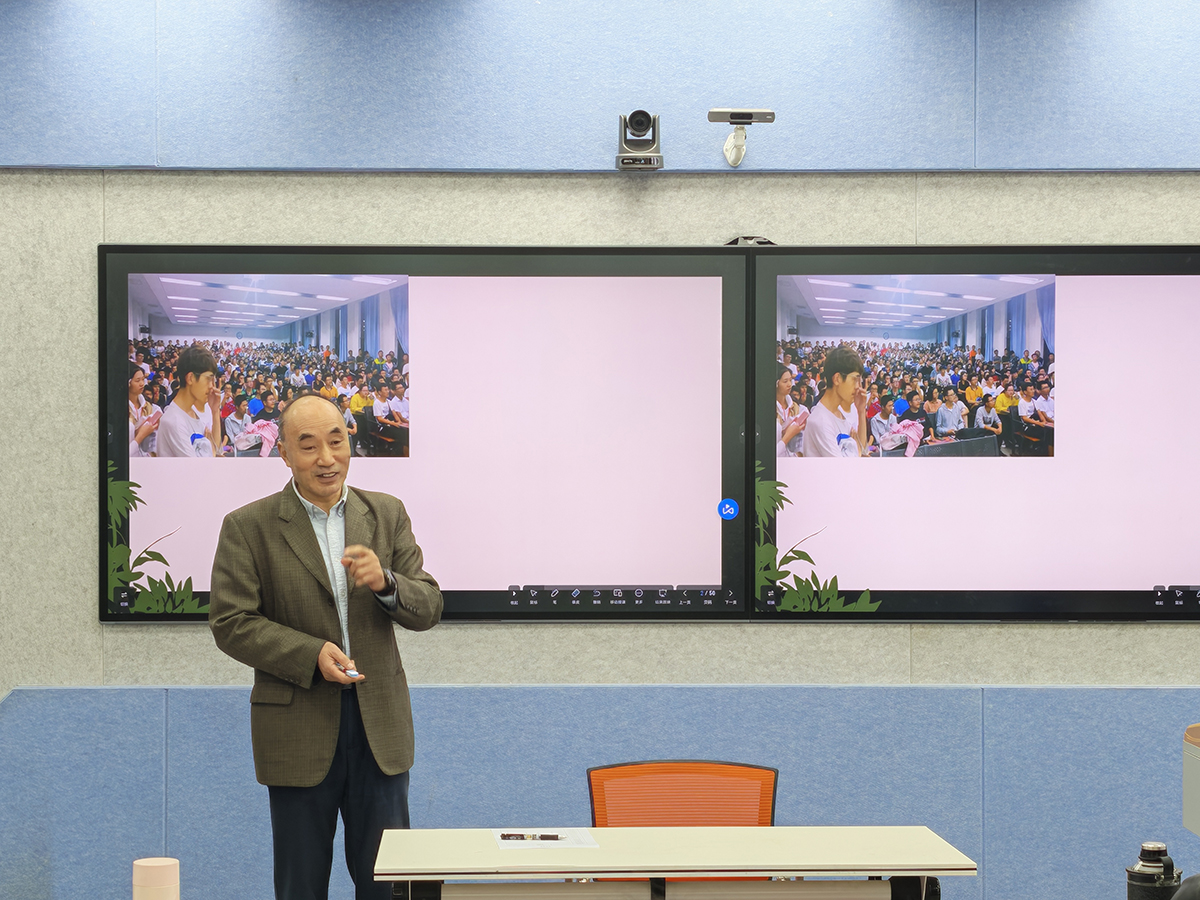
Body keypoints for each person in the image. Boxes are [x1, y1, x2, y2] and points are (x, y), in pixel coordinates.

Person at [209, 394, 442, 900]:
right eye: (308, 445)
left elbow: (428, 606)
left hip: (380, 729)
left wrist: (386, 583)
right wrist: (310, 654)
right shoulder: (248, 526)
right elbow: (230, 622)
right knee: (301, 886)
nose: (326, 458)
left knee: (390, 886)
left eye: (336, 442)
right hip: (297, 729)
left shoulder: (386, 513)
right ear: (284, 454)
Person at [156, 343, 222, 457]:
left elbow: (217, 451)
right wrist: (212, 452)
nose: (212, 386)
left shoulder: (193, 413)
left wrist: (215, 411)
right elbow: (196, 467)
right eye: (208, 379)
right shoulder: (174, 421)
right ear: (190, 378)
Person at [802, 344, 867, 458]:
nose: (858, 386)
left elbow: (862, 451)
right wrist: (857, 450)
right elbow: (841, 467)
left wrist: (861, 412)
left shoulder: (839, 414)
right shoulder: (820, 421)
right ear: (837, 379)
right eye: (854, 380)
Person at [128, 362, 161, 457]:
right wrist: (141, 433)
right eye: (137, 380)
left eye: (143, 379)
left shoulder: (148, 406)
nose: (142, 384)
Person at [775, 365, 806, 457]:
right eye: (785, 381)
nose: (789, 384)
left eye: (790, 380)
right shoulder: (769, 409)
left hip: (793, 458)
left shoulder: (796, 407)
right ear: (776, 383)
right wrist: (788, 434)